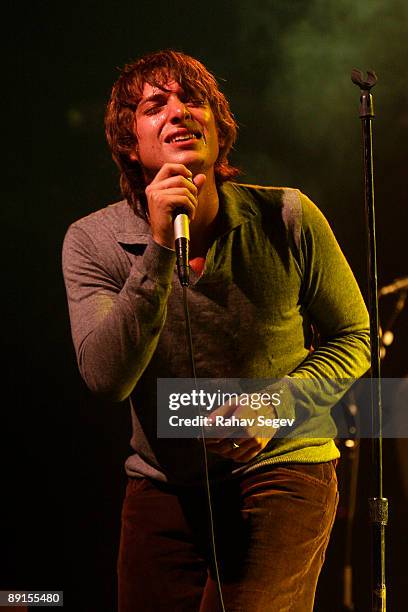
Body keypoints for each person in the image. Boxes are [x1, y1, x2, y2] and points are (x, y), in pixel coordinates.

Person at [62, 50, 370, 611]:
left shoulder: (289, 216)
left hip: (282, 466)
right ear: (131, 143)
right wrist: (157, 250)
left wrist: (275, 406)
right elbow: (107, 379)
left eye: (193, 100)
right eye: (156, 105)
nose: (180, 112)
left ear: (218, 127)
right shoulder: (92, 242)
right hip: (162, 485)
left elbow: (355, 335)